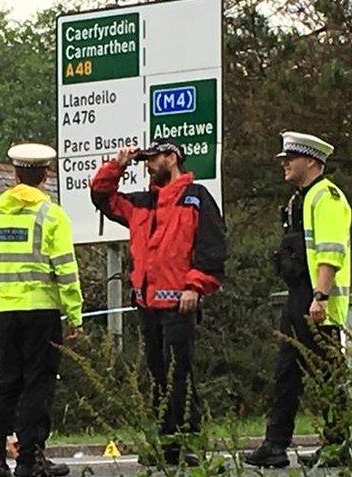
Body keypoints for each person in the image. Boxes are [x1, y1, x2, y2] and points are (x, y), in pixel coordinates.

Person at [90, 138, 227, 466]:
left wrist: (195, 286)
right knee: (157, 375)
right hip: (147, 304)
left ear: (172, 157)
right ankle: (165, 444)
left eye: (153, 159)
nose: (148, 165)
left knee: (180, 374)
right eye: (146, 160)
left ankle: (186, 442)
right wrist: (118, 165)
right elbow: (102, 196)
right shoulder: (141, 202)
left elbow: (212, 246)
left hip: (180, 302)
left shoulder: (197, 198)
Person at [0, 143, 83, 477]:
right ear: (45, 175)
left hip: (5, 314)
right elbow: (65, 268)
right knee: (38, 383)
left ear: (14, 174)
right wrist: (74, 313)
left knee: (6, 382)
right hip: (41, 312)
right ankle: (29, 459)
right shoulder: (51, 216)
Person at [244, 132, 352, 469]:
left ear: (312, 161)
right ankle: (275, 444)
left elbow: (330, 251)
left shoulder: (326, 197)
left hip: (317, 298)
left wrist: (320, 296)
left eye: (291, 158)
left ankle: (337, 446)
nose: (284, 163)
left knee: (326, 374)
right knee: (286, 372)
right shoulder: (299, 200)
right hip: (299, 296)